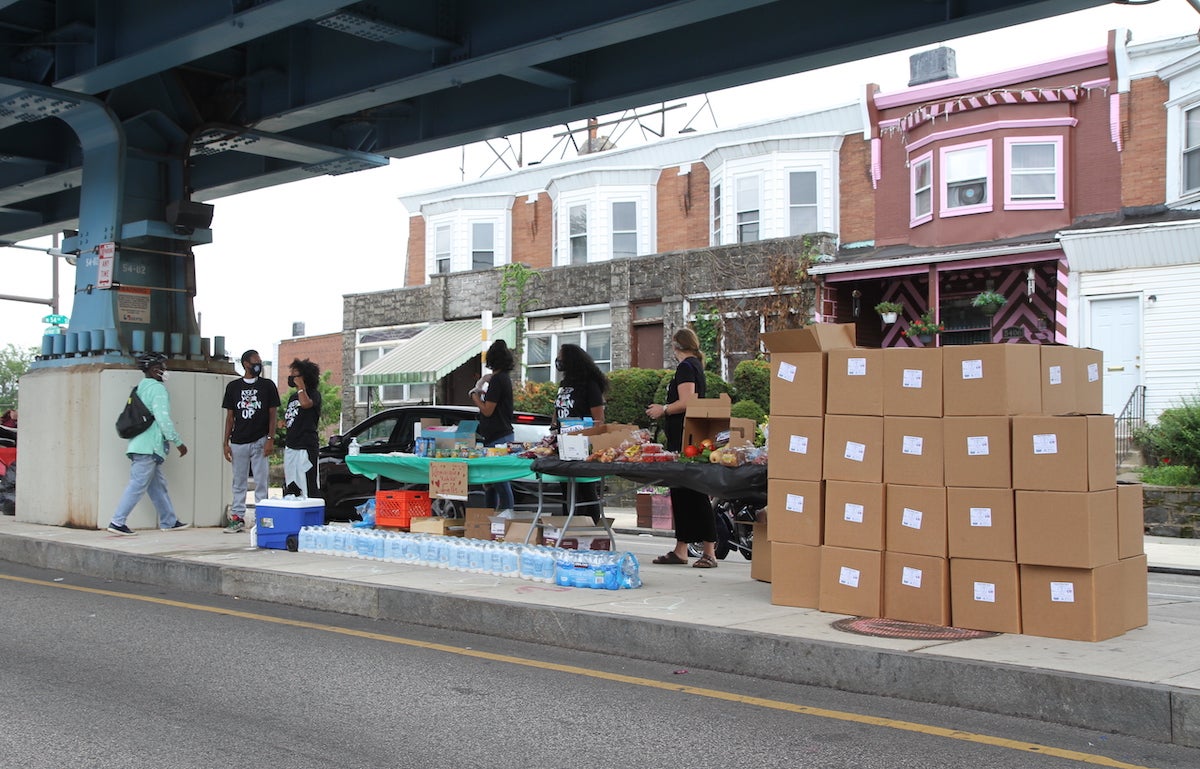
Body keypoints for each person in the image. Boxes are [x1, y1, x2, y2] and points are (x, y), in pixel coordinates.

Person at [645, 329, 718, 568]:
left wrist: (663, 410)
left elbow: (688, 401)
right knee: (682, 492)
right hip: (689, 437)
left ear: (676, 345)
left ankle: (709, 552)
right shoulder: (695, 365)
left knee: (693, 493)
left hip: (686, 439)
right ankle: (681, 548)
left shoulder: (686, 367)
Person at [107, 353, 189, 535]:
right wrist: (178, 442)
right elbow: (163, 419)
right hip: (149, 447)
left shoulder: (140, 388)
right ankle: (117, 521)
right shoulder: (158, 390)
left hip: (139, 444)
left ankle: (169, 520)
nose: (165, 370)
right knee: (137, 485)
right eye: (162, 367)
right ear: (154, 370)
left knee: (157, 486)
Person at [221, 350, 280, 533]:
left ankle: (260, 519)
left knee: (261, 481)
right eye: (255, 361)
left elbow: (272, 414)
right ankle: (237, 518)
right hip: (238, 441)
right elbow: (230, 417)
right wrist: (225, 442)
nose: (258, 365)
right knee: (239, 482)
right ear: (246, 363)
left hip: (260, 440)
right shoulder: (233, 387)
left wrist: (270, 438)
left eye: (260, 361)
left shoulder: (268, 386)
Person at [551, 343, 609, 522]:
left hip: (582, 444)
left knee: (586, 490)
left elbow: (598, 418)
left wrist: (591, 439)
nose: (558, 361)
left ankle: (591, 526)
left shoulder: (590, 384)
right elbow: (558, 408)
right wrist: (554, 425)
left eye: (561, 358)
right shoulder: (564, 383)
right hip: (563, 442)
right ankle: (569, 528)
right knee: (567, 491)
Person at [470, 339, 515, 515]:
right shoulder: (504, 379)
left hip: (498, 437)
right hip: (500, 435)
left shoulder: (497, 380)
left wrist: (475, 396)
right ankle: (491, 519)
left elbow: (488, 410)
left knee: (500, 481)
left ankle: (505, 518)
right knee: (492, 483)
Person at [283, 358, 322, 497]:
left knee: (307, 482)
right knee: (291, 483)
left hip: (306, 446)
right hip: (291, 445)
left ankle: (310, 513)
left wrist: (301, 387)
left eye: (295, 374)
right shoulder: (293, 397)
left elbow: (306, 404)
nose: (292, 377)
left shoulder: (313, 394)